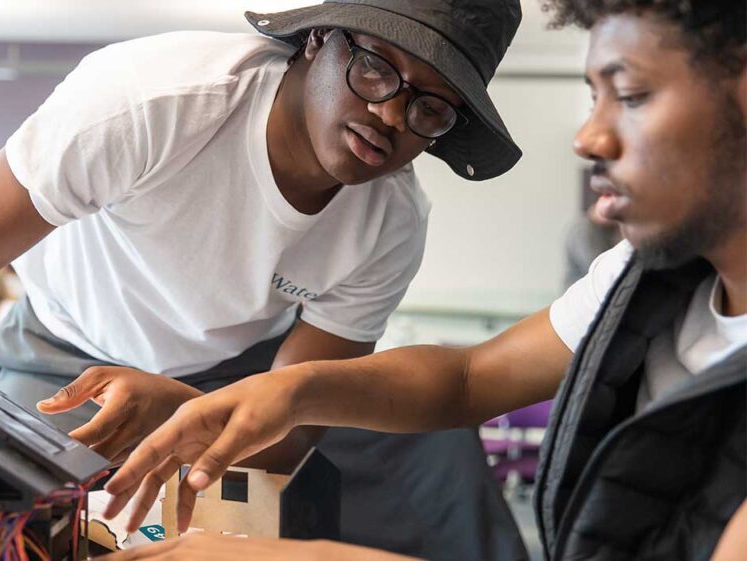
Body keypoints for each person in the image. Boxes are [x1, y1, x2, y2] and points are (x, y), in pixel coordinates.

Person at [0, 1, 530, 558]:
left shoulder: (389, 222)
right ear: (317, 39)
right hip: (66, 361)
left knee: (436, 449)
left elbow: (290, 426)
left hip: (247, 381)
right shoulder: (150, 103)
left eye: (429, 106)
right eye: (374, 69)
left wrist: (190, 414)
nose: (390, 114)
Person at [99, 0, 747, 558]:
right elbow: (467, 380)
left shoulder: (393, 220)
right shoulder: (645, 277)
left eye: (630, 95)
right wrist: (290, 391)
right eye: (594, 97)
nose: (588, 137)